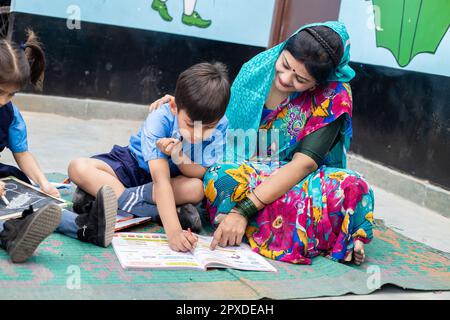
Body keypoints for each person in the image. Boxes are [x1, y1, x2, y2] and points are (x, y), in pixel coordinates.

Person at [150, 22, 374, 265]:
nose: (285, 79)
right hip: (248, 170)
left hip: (300, 180)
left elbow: (303, 165)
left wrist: (244, 210)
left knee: (354, 185)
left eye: (300, 79)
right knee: (218, 176)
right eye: (285, 65)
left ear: (318, 83)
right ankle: (328, 232)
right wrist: (183, 105)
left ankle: (236, 220)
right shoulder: (258, 69)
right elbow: (218, 115)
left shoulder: (334, 95)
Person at [60, 62, 230, 252]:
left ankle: (107, 198)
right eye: (191, 124)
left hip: (170, 180)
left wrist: (178, 155)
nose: (198, 135)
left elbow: (200, 171)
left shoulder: (221, 123)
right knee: (78, 167)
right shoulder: (160, 118)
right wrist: (174, 233)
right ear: (174, 107)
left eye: (208, 127)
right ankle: (154, 211)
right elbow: (160, 181)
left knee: (197, 189)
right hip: (132, 165)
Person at [0, 30, 62, 263]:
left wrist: (43, 183)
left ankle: (84, 226)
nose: (3, 101)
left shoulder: (9, 114)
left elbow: (22, 152)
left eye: (11, 94)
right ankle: (11, 236)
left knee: (31, 196)